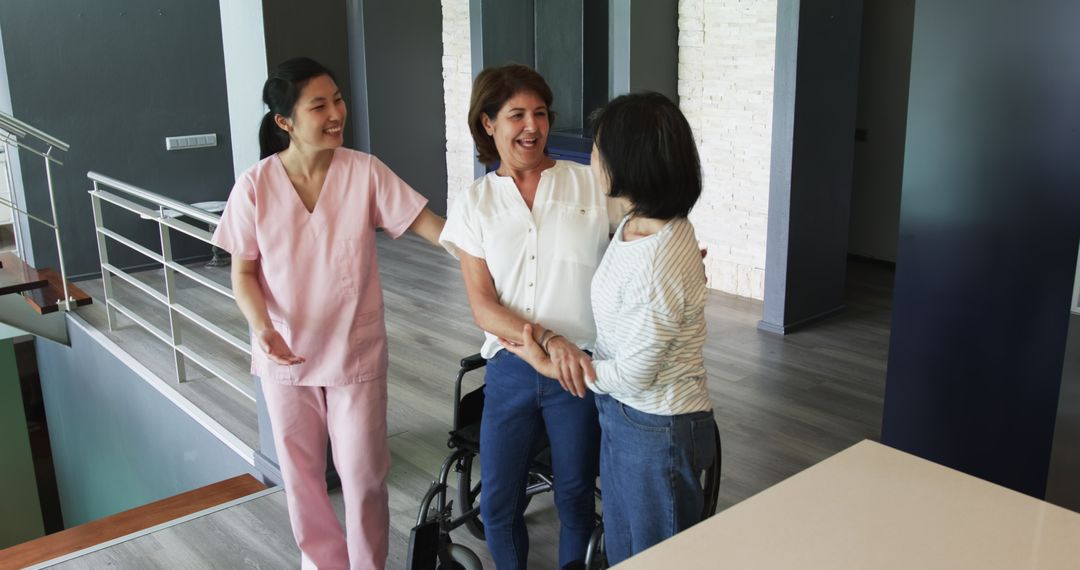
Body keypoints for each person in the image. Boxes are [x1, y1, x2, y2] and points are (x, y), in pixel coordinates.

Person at [211, 57, 444, 570]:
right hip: (285, 355)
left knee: (364, 477)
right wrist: (261, 327)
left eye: (338, 99)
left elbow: (433, 227)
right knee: (302, 479)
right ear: (285, 122)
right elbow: (243, 273)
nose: (337, 112)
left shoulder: (364, 171)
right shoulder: (254, 186)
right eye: (320, 105)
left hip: (353, 353)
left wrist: (492, 252)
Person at [500, 92, 717, 565]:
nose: (591, 157)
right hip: (624, 413)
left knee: (659, 556)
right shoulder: (637, 221)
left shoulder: (658, 257)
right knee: (622, 548)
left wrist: (560, 365)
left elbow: (637, 374)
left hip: (658, 424)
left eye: (598, 149)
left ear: (629, 161)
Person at [439, 64, 620, 570]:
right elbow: (483, 306)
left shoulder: (589, 185)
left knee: (577, 499)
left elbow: (639, 230)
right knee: (496, 505)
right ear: (488, 123)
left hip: (579, 370)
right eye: (516, 114)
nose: (532, 126)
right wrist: (544, 339)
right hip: (513, 368)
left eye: (540, 113)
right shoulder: (474, 203)